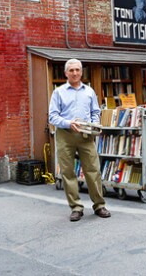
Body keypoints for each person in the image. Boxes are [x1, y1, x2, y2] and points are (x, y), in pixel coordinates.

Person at [48, 59, 111, 222]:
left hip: (86, 135)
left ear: (81, 72)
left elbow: (96, 111)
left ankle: (99, 205)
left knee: (93, 170)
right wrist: (69, 123)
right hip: (65, 135)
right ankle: (76, 207)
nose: (75, 73)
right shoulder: (58, 92)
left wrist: (94, 123)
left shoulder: (89, 91)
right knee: (68, 172)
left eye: (77, 70)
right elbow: (52, 116)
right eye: (71, 70)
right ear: (66, 73)